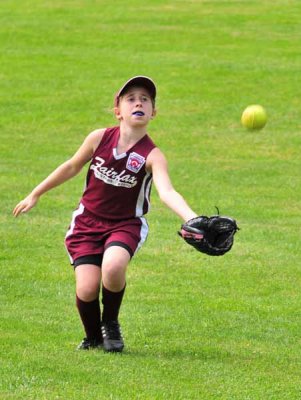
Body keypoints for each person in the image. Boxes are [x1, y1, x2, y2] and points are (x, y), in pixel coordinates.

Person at [13, 76, 198, 352]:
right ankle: (93, 337)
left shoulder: (153, 155)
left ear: (153, 112)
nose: (139, 102)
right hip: (87, 222)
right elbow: (72, 166)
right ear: (118, 111)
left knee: (112, 267)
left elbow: (167, 192)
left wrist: (192, 218)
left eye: (145, 99)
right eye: (131, 98)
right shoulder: (99, 138)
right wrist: (36, 193)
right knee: (87, 289)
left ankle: (110, 323)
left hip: (125, 224)